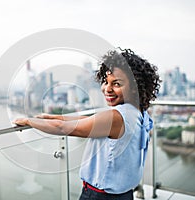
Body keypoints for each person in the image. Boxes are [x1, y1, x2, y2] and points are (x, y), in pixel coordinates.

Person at [14, 48, 161, 200]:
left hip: (100, 196)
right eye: (105, 81)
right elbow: (87, 122)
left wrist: (28, 121)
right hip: (124, 194)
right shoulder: (139, 112)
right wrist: (54, 117)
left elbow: (63, 128)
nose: (107, 89)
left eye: (116, 84)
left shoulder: (117, 117)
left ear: (134, 87)